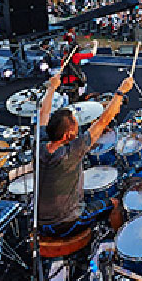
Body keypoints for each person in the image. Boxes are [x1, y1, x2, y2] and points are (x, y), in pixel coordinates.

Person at [37, 72, 134, 237]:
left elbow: (43, 114)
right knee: (115, 202)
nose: (78, 126)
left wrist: (52, 88)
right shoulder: (72, 152)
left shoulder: (40, 144)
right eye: (75, 124)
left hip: (39, 221)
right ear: (67, 135)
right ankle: (117, 244)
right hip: (65, 224)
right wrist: (121, 91)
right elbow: (103, 121)